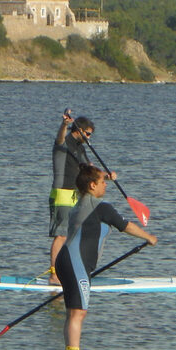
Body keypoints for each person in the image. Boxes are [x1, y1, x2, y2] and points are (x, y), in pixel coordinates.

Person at [55, 164, 158, 350]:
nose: (106, 186)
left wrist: (106, 176)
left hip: (65, 260)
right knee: (78, 313)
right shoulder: (101, 207)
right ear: (92, 185)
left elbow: (90, 181)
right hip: (76, 263)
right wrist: (148, 237)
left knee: (72, 313)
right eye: (102, 183)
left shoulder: (80, 203)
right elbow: (125, 225)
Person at [48, 110, 116, 285]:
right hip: (62, 193)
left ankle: (70, 271)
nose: (88, 138)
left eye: (90, 135)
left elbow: (90, 169)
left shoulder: (81, 148)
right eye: (87, 134)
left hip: (76, 194)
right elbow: (60, 137)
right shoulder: (63, 143)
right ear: (77, 130)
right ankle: (54, 275)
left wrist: (106, 176)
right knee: (61, 235)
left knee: (76, 233)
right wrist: (64, 124)